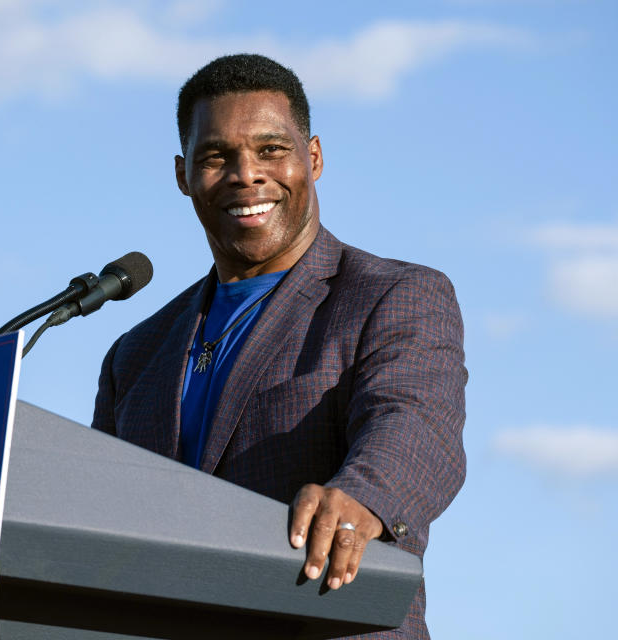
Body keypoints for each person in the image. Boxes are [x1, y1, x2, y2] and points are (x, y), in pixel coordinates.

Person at [92, 54, 466, 639]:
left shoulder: (391, 295)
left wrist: (363, 493)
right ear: (182, 175)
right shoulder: (135, 355)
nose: (247, 174)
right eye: (217, 157)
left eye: (271, 150)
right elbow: (93, 523)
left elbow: (416, 422)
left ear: (312, 159)